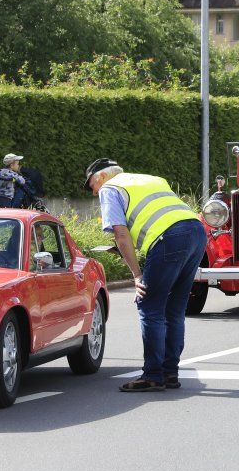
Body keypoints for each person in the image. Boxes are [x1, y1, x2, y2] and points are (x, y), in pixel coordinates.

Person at [86, 157, 206, 393]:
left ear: (100, 176)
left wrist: (137, 275)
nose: (93, 193)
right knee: (174, 309)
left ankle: (153, 375)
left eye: (91, 186)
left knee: (149, 304)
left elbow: (121, 234)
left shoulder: (109, 188)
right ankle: (170, 372)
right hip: (195, 232)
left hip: (169, 238)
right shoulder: (150, 178)